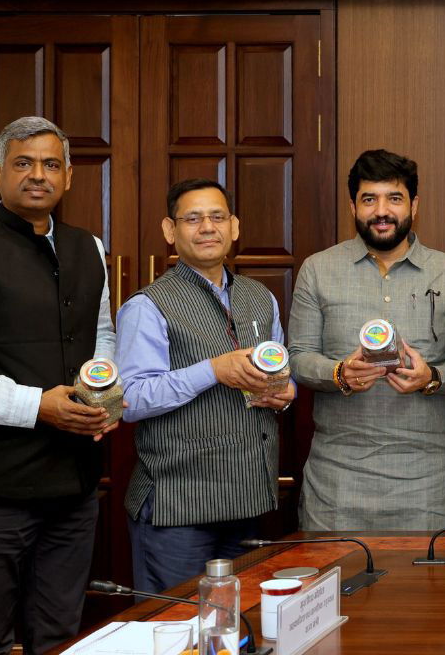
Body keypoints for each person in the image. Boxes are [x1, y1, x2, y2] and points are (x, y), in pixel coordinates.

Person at [0, 116, 119, 654]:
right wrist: (37, 407)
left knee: (59, 638)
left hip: (74, 489)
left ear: (69, 176)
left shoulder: (88, 247)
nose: (38, 175)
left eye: (51, 164)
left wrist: (104, 399)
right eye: (23, 163)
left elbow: (101, 334)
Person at [115, 178, 295, 593]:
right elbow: (131, 399)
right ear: (169, 230)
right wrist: (212, 370)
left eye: (217, 217)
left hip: (249, 498)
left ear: (234, 227)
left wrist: (285, 395)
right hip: (178, 507)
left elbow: (280, 371)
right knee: (178, 628)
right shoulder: (148, 305)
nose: (207, 227)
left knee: (240, 625)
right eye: (192, 218)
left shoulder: (260, 297)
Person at [289, 150, 445, 530]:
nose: (381, 211)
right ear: (352, 205)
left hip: (428, 485)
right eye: (369, 199)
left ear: (414, 205)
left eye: (394, 198)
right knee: (336, 590)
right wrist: (339, 373)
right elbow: (299, 357)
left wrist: (432, 378)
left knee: (427, 590)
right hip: (337, 483)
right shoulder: (318, 270)